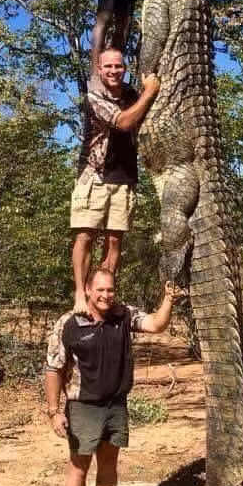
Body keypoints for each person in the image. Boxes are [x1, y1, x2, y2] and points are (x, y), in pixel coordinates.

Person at [44, 268, 184, 486]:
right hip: (83, 406)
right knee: (79, 467)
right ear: (87, 290)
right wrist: (54, 411)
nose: (106, 295)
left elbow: (156, 324)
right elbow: (53, 368)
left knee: (108, 464)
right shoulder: (69, 323)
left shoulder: (123, 314)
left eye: (110, 289)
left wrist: (169, 299)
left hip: (115, 405)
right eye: (100, 290)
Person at [70, 47, 159, 314]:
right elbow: (123, 122)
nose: (113, 71)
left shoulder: (131, 94)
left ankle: (103, 297)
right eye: (108, 66)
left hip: (125, 177)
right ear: (99, 69)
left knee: (114, 242)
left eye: (118, 66)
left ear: (125, 68)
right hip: (94, 176)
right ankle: (80, 294)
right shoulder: (94, 97)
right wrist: (149, 92)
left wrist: (146, 93)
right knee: (85, 236)